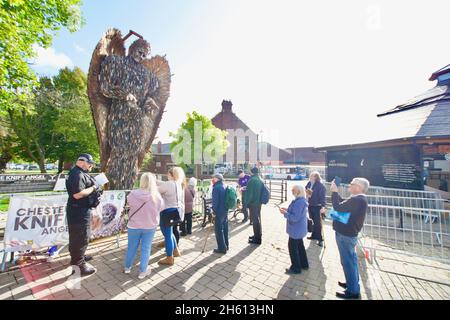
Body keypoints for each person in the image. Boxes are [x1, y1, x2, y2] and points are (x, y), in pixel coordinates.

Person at [330, 177, 369, 300]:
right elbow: (343, 205)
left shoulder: (357, 200)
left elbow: (338, 207)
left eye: (351, 184)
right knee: (351, 261)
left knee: (347, 262)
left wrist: (334, 192)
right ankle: (352, 283)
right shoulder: (358, 199)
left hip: (345, 235)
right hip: (348, 234)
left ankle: (352, 291)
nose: (349, 186)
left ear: (359, 187)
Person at [65, 153, 100, 276]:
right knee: (80, 237)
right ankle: (79, 266)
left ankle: (79, 256)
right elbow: (77, 194)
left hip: (79, 210)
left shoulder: (78, 172)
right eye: (90, 164)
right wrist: (94, 187)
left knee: (79, 237)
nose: (91, 166)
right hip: (78, 211)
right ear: (83, 162)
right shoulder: (77, 174)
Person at [124, 173, 164, 279]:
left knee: (131, 247)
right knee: (146, 248)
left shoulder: (132, 194)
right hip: (150, 225)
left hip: (133, 225)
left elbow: (129, 204)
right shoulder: (156, 196)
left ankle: (127, 267)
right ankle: (143, 271)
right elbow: (161, 208)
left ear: (141, 181)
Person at [157, 167, 185, 266]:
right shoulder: (178, 184)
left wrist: (150, 182)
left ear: (171, 175)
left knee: (167, 234)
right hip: (176, 211)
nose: (166, 175)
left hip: (167, 211)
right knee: (170, 233)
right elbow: (163, 184)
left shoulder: (168, 184)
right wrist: (155, 180)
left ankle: (169, 257)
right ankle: (175, 250)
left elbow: (156, 190)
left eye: (168, 174)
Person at [279, 185, 309, 275]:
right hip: (299, 229)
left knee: (293, 248)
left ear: (298, 191)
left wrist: (285, 213)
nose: (292, 191)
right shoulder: (301, 200)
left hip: (296, 230)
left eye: (293, 190)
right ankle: (304, 264)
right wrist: (287, 210)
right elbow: (295, 211)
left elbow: (295, 217)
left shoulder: (299, 202)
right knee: (300, 247)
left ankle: (296, 268)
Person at [305, 171, 326, 247]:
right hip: (310, 205)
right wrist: (307, 192)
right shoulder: (309, 183)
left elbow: (322, 197)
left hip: (317, 206)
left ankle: (320, 239)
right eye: (310, 175)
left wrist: (323, 207)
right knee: (312, 221)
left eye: (312, 176)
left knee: (318, 223)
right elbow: (306, 188)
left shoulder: (320, 186)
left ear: (316, 177)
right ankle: (314, 236)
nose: (310, 177)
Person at [244, 167, 265, 245]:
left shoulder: (252, 180)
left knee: (255, 220)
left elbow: (249, 194)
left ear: (251, 172)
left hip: (253, 203)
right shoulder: (260, 178)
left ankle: (257, 239)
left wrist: (246, 203)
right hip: (258, 202)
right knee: (257, 219)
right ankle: (257, 235)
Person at [211, 173, 229, 254]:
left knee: (218, 230)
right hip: (225, 210)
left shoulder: (216, 188)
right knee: (224, 228)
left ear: (217, 178)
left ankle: (222, 248)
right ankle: (226, 245)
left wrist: (214, 212)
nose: (213, 179)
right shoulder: (224, 185)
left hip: (219, 211)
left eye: (214, 178)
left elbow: (215, 202)